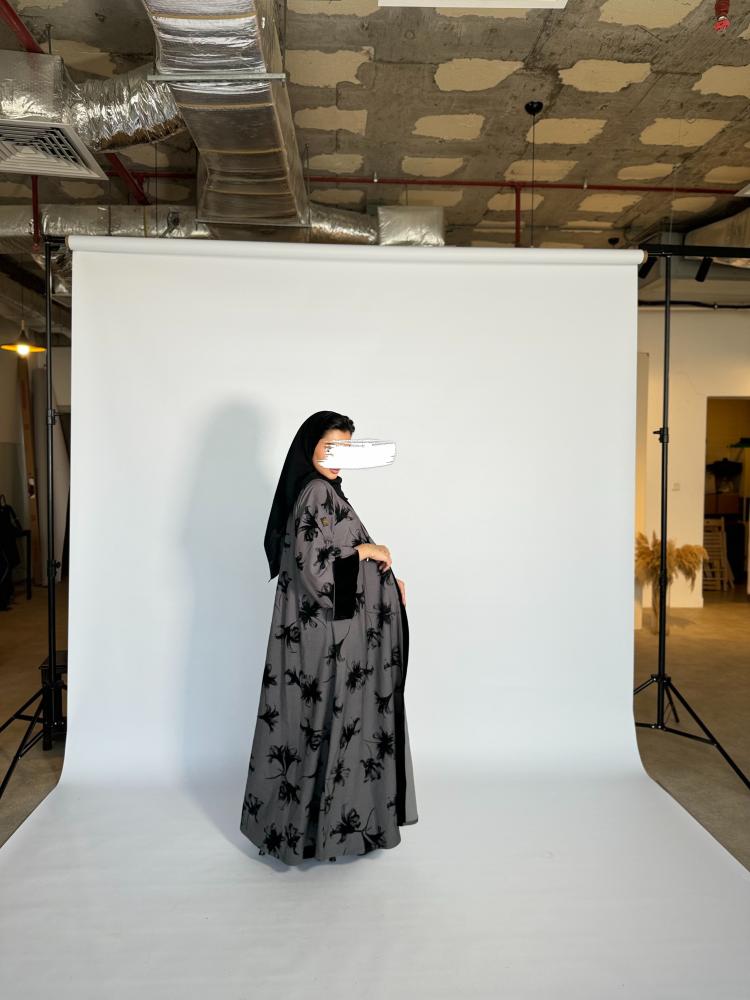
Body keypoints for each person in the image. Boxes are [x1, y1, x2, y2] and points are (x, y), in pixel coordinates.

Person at [239, 410, 418, 864]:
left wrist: (384, 576)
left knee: (316, 727)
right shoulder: (317, 492)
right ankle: (325, 834)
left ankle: (311, 833)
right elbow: (318, 573)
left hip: (325, 636)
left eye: (346, 449)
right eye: (331, 447)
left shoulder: (323, 490)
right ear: (309, 447)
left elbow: (327, 557)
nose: (339, 458)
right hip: (329, 642)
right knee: (327, 724)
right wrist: (368, 551)